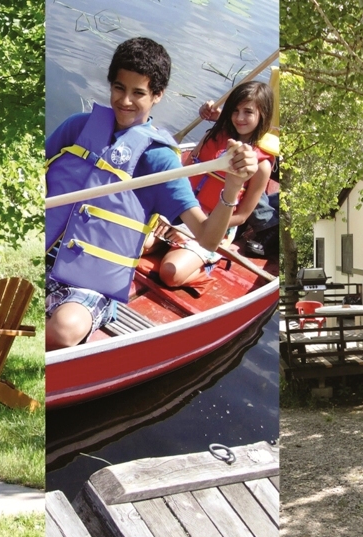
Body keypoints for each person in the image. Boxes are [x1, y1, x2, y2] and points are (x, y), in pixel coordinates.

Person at [45, 37, 258, 350]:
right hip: (45, 255)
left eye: (138, 93)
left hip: (89, 284)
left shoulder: (161, 160)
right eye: (119, 88)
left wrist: (233, 185)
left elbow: (208, 237)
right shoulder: (77, 127)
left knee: (63, 331)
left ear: (158, 95)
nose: (125, 101)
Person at [151, 81, 277, 287]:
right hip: (181, 209)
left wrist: (195, 228)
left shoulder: (261, 165)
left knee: (169, 274)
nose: (239, 118)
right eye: (235, 110)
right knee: (139, 246)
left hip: (215, 225)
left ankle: (204, 271)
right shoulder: (213, 135)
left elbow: (242, 216)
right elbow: (181, 177)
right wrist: (172, 215)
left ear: (262, 115)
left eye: (248, 112)